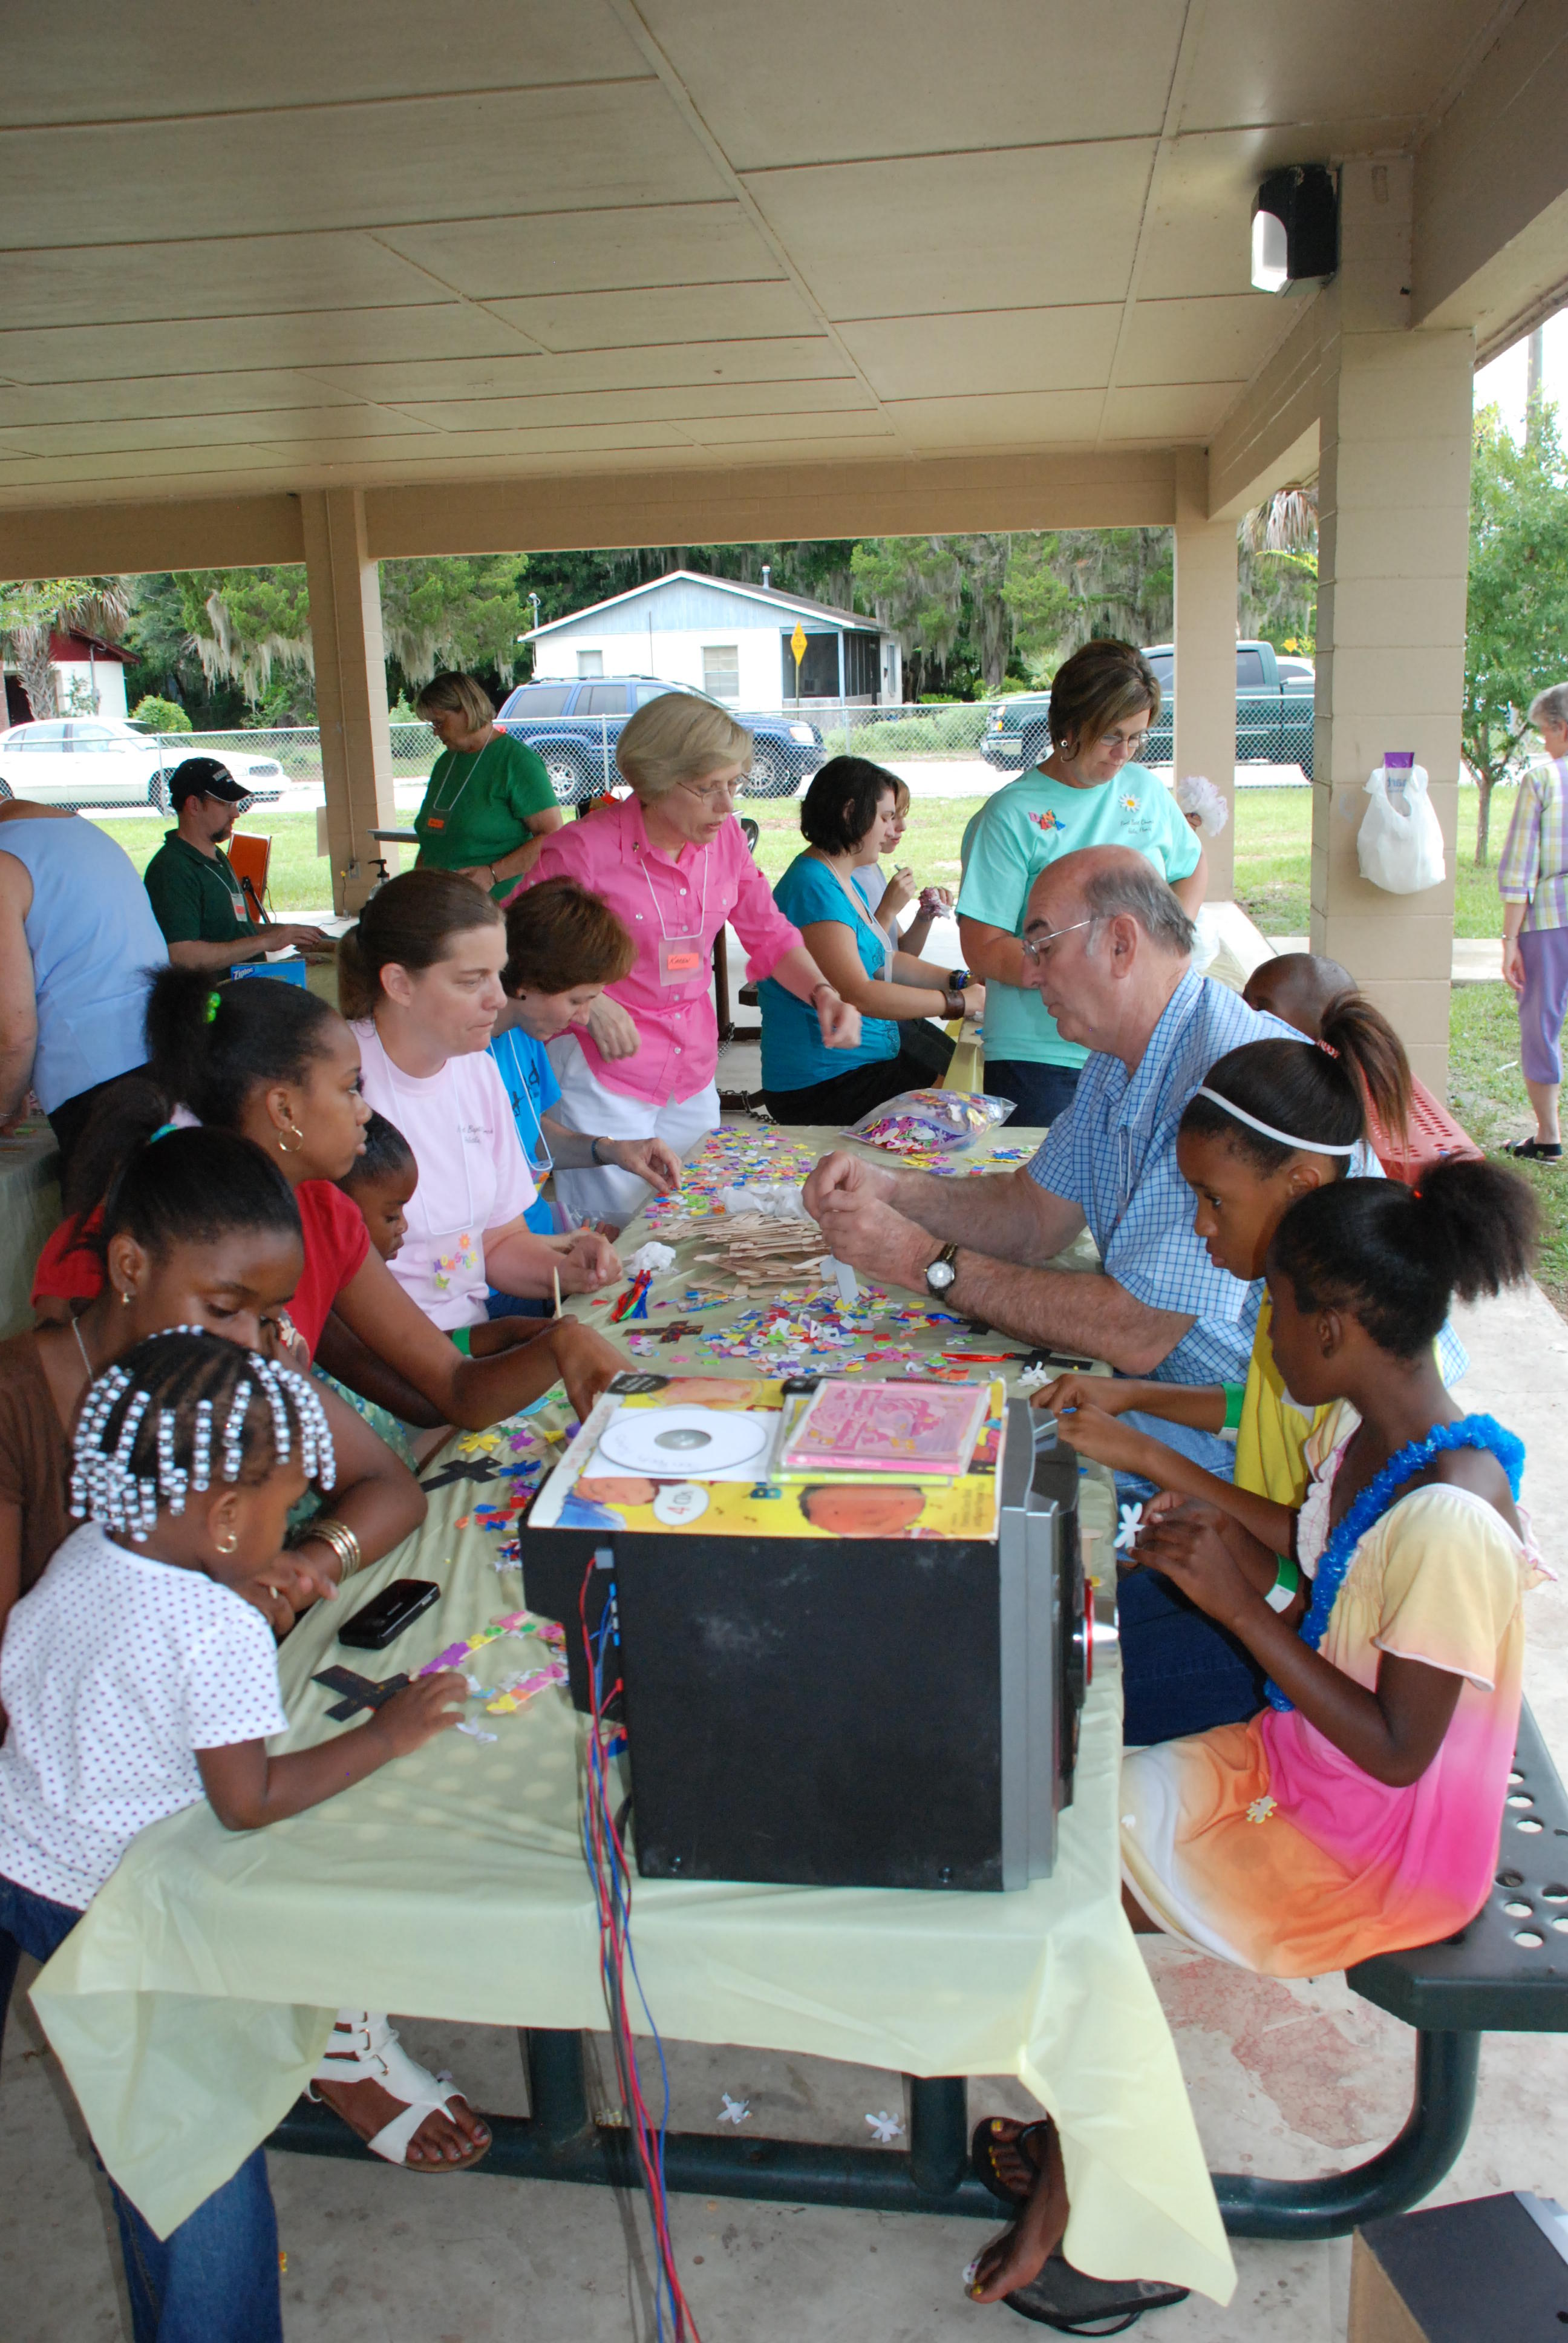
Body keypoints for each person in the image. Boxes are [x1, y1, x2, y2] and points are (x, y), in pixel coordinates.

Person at [968, 1164, 1540, 2319]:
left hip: (1376, 1844)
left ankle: (1109, 2211)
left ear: (1331, 1324)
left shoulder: (1452, 1517)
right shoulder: (1372, 1432)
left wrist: (1235, 1606)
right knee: (1062, 1837)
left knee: (1073, 1877)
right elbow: (1315, 1545)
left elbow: (1393, 1748)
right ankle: (1096, 2129)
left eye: (1274, 1306)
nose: (1262, 1327)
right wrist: (1195, 1523)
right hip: (1301, 1772)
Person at [1, 1126, 495, 2177]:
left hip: (168, 1737)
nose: (257, 1338)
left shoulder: (229, 1383)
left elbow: (390, 1486)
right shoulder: (19, 1401)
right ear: (131, 1267)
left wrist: (289, 1552)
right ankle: (317, 2035)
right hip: (71, 1799)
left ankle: (318, 2023)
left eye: (270, 1313)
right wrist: (205, 1607)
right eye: (226, 1309)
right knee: (186, 2135)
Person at [0, 1328, 471, 2343]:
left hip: (23, 1865)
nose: (290, 1526)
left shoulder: (86, 1551)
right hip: (123, 1907)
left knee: (139, 2127)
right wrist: (387, 1734)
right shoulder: (210, 1631)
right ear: (221, 1516)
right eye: (282, 1506)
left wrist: (225, 1587)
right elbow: (248, 1799)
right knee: (195, 2157)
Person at [806, 847, 1305, 1740]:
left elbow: (1139, 1330)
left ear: (1121, 942)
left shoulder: (1222, 1069)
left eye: (1042, 945)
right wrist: (893, 1192)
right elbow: (1032, 1217)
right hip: (1197, 1431)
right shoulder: (1127, 1052)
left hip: (1252, 1480)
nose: (1027, 976)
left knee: (998, 1676)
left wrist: (927, 1261)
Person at [35, 969, 624, 1432]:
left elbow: (443, 1389)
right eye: (350, 1088)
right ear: (284, 1111)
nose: (365, 1109)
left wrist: (554, 1339)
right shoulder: (148, 1233)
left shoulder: (324, 1214)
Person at [509, 691, 862, 1225]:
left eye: (734, 785)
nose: (727, 806)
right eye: (708, 788)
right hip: (604, 1072)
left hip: (690, 1067)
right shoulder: (581, 850)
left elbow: (769, 931)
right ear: (654, 780)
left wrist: (822, 992)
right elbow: (515, 948)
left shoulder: (722, 844)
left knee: (695, 1216)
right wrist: (592, 1003)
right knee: (615, 1234)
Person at [339, 870, 621, 1325]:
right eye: (472, 980)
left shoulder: (477, 1070)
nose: (497, 997)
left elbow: (496, 1243)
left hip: (462, 1345)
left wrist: (567, 1270)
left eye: (498, 974)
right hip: (378, 1358)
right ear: (399, 984)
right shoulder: (335, 1078)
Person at [956, 639, 1206, 1125]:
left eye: (1137, 738)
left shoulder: (1145, 791)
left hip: (1138, 1043)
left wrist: (1168, 942)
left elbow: (1191, 867)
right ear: (1069, 727)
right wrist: (1067, 970)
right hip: (1042, 1055)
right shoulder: (1011, 816)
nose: (1123, 755)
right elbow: (982, 944)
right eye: (1112, 736)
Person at [759, 756, 984, 1123]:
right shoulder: (813, 887)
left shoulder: (842, 877)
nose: (894, 829)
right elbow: (858, 992)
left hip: (864, 1060)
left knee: (964, 1080)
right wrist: (955, 1003)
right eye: (885, 818)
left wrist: (959, 981)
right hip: (825, 1082)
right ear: (851, 814)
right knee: (962, 1114)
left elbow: (883, 961)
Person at [491, 878, 681, 1237]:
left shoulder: (525, 1034)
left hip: (535, 1237)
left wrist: (609, 1150)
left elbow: (529, 1134)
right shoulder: (469, 1056)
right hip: (504, 1258)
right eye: (576, 1001)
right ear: (526, 982)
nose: (583, 1017)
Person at [0, 801, 167, 1176]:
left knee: (113, 1224)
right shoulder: (66, 830)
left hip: (103, 1085)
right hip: (165, 1051)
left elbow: (14, 1036)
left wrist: (4, 1106)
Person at [140, 756, 328, 968]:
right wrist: (265, 942)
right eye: (226, 804)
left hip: (245, 985)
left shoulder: (216, 856)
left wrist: (288, 933)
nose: (236, 813)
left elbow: (235, 931)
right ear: (193, 805)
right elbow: (182, 955)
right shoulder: (172, 869)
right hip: (213, 998)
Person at [411, 671, 563, 903]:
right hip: (441, 905)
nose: (435, 732)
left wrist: (493, 874)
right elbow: (432, 838)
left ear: (466, 710)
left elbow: (553, 835)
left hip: (496, 908)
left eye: (440, 722)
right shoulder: (446, 762)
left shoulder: (516, 761)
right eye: (433, 724)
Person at [1498, 682, 1568, 1162]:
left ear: (1562, 728)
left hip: (1551, 920)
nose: (1544, 742)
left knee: (1540, 1023)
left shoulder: (1543, 782)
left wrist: (1509, 940)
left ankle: (1548, 1134)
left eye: (1545, 732)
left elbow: (1521, 869)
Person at [856, 776, 952, 957]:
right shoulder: (846, 878)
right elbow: (861, 961)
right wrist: (888, 908)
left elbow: (901, 951)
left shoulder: (871, 867)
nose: (902, 827)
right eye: (890, 817)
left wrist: (925, 916)